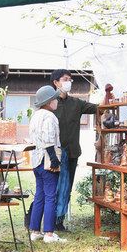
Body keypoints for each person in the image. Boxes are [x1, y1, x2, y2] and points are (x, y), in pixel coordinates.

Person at [49, 69, 97, 231]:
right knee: (52, 188)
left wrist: (108, 97)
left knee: (66, 187)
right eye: (65, 79)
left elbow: (99, 108)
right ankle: (48, 219)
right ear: (56, 82)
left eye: (70, 79)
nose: (68, 82)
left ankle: (59, 221)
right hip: (53, 154)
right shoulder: (50, 103)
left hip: (72, 152)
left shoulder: (77, 103)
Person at [28, 85, 66, 243]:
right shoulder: (50, 117)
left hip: (36, 160)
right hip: (47, 159)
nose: (57, 101)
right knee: (51, 196)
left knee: (40, 195)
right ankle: (49, 233)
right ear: (49, 102)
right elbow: (48, 138)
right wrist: (54, 158)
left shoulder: (36, 115)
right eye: (55, 98)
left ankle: (35, 231)